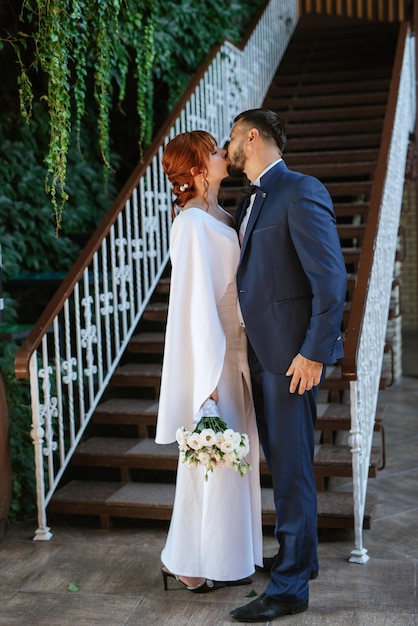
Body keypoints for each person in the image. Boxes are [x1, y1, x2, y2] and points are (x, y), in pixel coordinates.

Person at [226, 109, 347, 621]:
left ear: (252, 137)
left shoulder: (301, 189)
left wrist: (315, 352)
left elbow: (330, 279)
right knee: (282, 462)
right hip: (261, 353)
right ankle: (304, 556)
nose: (229, 147)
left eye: (232, 138)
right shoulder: (248, 199)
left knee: (293, 468)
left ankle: (290, 588)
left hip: (292, 358)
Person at [155, 130, 263, 593]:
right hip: (214, 352)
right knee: (214, 457)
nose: (224, 154)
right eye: (216, 151)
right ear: (199, 168)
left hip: (236, 343)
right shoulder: (190, 224)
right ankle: (191, 563)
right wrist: (207, 379)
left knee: (236, 457)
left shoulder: (219, 213)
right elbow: (194, 304)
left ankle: (224, 556)